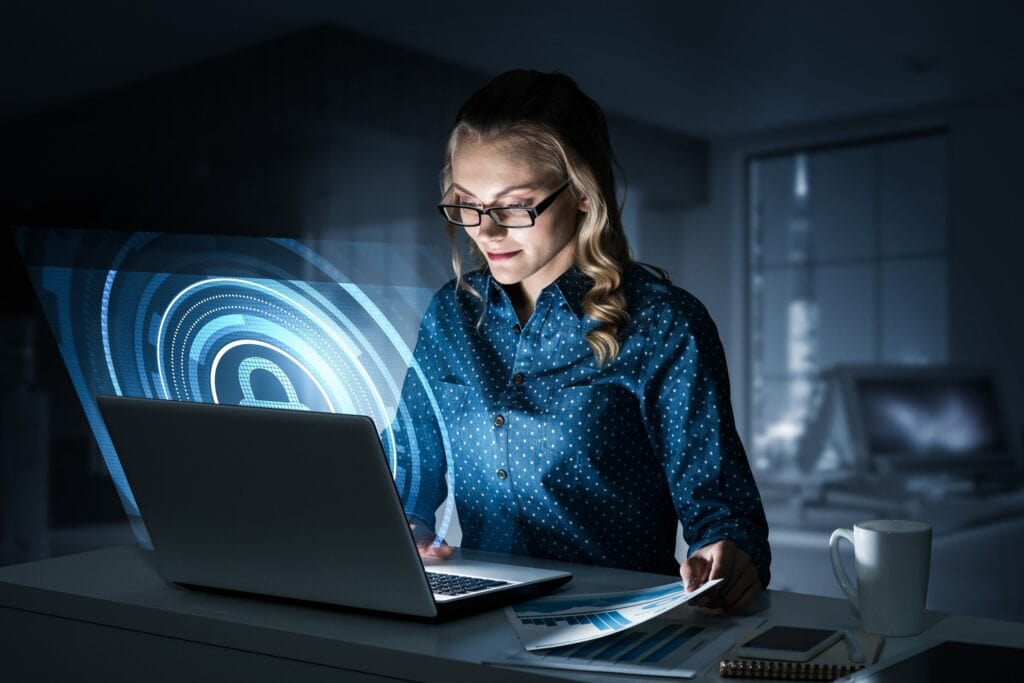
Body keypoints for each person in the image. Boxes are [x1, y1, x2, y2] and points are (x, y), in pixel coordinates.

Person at [391, 69, 770, 611]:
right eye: (466, 203)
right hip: (478, 622)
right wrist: (404, 529)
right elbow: (411, 472)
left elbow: (723, 511)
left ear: (584, 196)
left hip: (620, 630)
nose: (486, 231)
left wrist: (726, 553)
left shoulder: (665, 323)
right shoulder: (450, 315)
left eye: (514, 206)